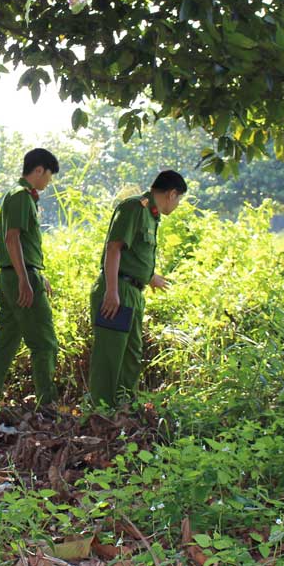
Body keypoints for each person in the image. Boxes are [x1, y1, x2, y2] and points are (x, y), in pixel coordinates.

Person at [89, 170, 188, 408]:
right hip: (119, 290)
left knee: (131, 353)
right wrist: (111, 291)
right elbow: (114, 249)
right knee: (110, 355)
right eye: (179, 200)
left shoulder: (151, 216)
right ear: (172, 194)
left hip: (133, 291)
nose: (177, 205)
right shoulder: (134, 208)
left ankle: (124, 407)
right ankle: (101, 412)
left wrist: (150, 276)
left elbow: (131, 254)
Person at [0, 148, 60, 407]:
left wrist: (36, 273)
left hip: (14, 275)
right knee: (45, 343)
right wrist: (26, 279)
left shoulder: (21, 197)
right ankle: (47, 404)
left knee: (6, 339)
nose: (48, 182)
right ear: (39, 170)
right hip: (18, 277)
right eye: (48, 175)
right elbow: (11, 238)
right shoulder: (21, 197)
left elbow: (24, 243)